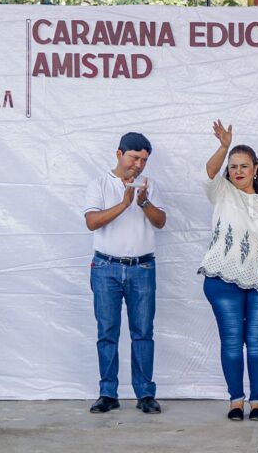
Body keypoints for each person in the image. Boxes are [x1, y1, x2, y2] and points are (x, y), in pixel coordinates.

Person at [198, 120, 258, 422]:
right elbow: (208, 173)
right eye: (233, 166)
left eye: (244, 166)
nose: (238, 171)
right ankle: (236, 400)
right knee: (232, 341)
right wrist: (223, 147)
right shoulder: (222, 191)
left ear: (255, 169)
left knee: (257, 342)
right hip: (222, 280)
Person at [83, 132, 167, 414]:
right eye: (134, 157)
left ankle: (145, 394)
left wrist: (143, 202)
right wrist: (123, 203)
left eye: (144, 160)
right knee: (107, 332)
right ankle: (108, 393)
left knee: (143, 332)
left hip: (142, 267)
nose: (139, 165)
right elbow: (92, 222)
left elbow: (160, 222)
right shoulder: (99, 184)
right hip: (105, 267)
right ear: (119, 154)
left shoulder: (150, 186)